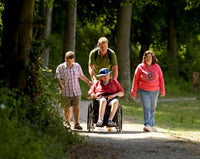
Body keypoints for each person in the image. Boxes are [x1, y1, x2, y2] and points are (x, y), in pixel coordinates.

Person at [55, 51, 93, 130]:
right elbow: (57, 77)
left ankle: (76, 123)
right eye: (68, 61)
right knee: (67, 108)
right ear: (65, 59)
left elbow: (81, 75)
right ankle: (68, 123)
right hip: (65, 91)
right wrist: (60, 84)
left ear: (74, 59)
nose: (69, 63)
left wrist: (88, 81)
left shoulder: (77, 66)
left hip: (76, 90)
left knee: (76, 107)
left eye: (71, 62)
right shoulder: (60, 67)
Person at [131, 50, 165, 132]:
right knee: (147, 107)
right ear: (144, 58)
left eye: (149, 57)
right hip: (143, 90)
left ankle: (152, 125)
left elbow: (161, 79)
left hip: (155, 90)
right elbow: (135, 79)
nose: (148, 58)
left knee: (153, 108)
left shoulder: (157, 67)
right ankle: (147, 124)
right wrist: (133, 91)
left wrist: (162, 90)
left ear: (152, 58)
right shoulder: (140, 67)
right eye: (146, 57)